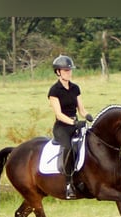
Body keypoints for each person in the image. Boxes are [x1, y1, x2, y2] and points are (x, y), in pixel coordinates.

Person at [48, 55, 93, 199]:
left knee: (87, 146)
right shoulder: (54, 91)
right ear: (58, 72)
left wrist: (88, 116)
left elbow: (81, 109)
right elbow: (59, 114)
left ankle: (83, 178)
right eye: (65, 70)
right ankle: (68, 184)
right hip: (62, 127)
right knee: (68, 148)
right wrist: (74, 123)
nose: (69, 72)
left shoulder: (75, 88)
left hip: (76, 125)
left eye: (70, 70)